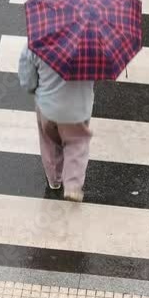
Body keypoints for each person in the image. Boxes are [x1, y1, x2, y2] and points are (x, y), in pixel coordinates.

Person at [17, 46, 94, 202]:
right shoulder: (91, 46)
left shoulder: (36, 44)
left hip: (48, 108)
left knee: (49, 144)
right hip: (78, 110)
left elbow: (27, 81)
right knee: (77, 145)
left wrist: (35, 89)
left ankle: (54, 180)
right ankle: (72, 185)